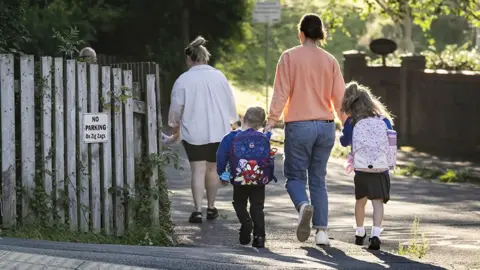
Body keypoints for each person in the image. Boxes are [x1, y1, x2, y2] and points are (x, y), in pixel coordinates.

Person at [264, 13, 347, 245]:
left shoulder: (289, 57)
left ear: (301, 33)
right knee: (318, 179)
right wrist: (347, 124)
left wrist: (271, 120)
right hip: (326, 126)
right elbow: (339, 98)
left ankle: (303, 206)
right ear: (321, 34)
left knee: (294, 177)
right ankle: (321, 233)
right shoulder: (330, 60)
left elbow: (281, 92)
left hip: (299, 126)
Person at [165, 36, 239, 223]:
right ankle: (211, 208)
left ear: (189, 59)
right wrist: (234, 122)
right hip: (218, 132)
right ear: (205, 57)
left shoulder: (183, 80)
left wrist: (174, 125)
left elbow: (176, 107)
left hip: (194, 132)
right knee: (212, 170)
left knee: (197, 170)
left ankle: (197, 210)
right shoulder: (219, 76)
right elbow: (230, 102)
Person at [339, 81, 395, 250]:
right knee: (378, 202)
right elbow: (391, 140)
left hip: (361, 168)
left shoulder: (352, 122)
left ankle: (359, 231)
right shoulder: (383, 120)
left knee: (360, 201)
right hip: (381, 167)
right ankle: (376, 234)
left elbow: (343, 142)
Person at [216, 107, 277, 248]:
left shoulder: (230, 137)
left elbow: (221, 157)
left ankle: (246, 222)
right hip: (259, 179)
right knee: (257, 207)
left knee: (239, 203)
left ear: (243, 118)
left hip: (239, 178)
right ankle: (259, 237)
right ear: (261, 124)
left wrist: (222, 174)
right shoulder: (263, 138)